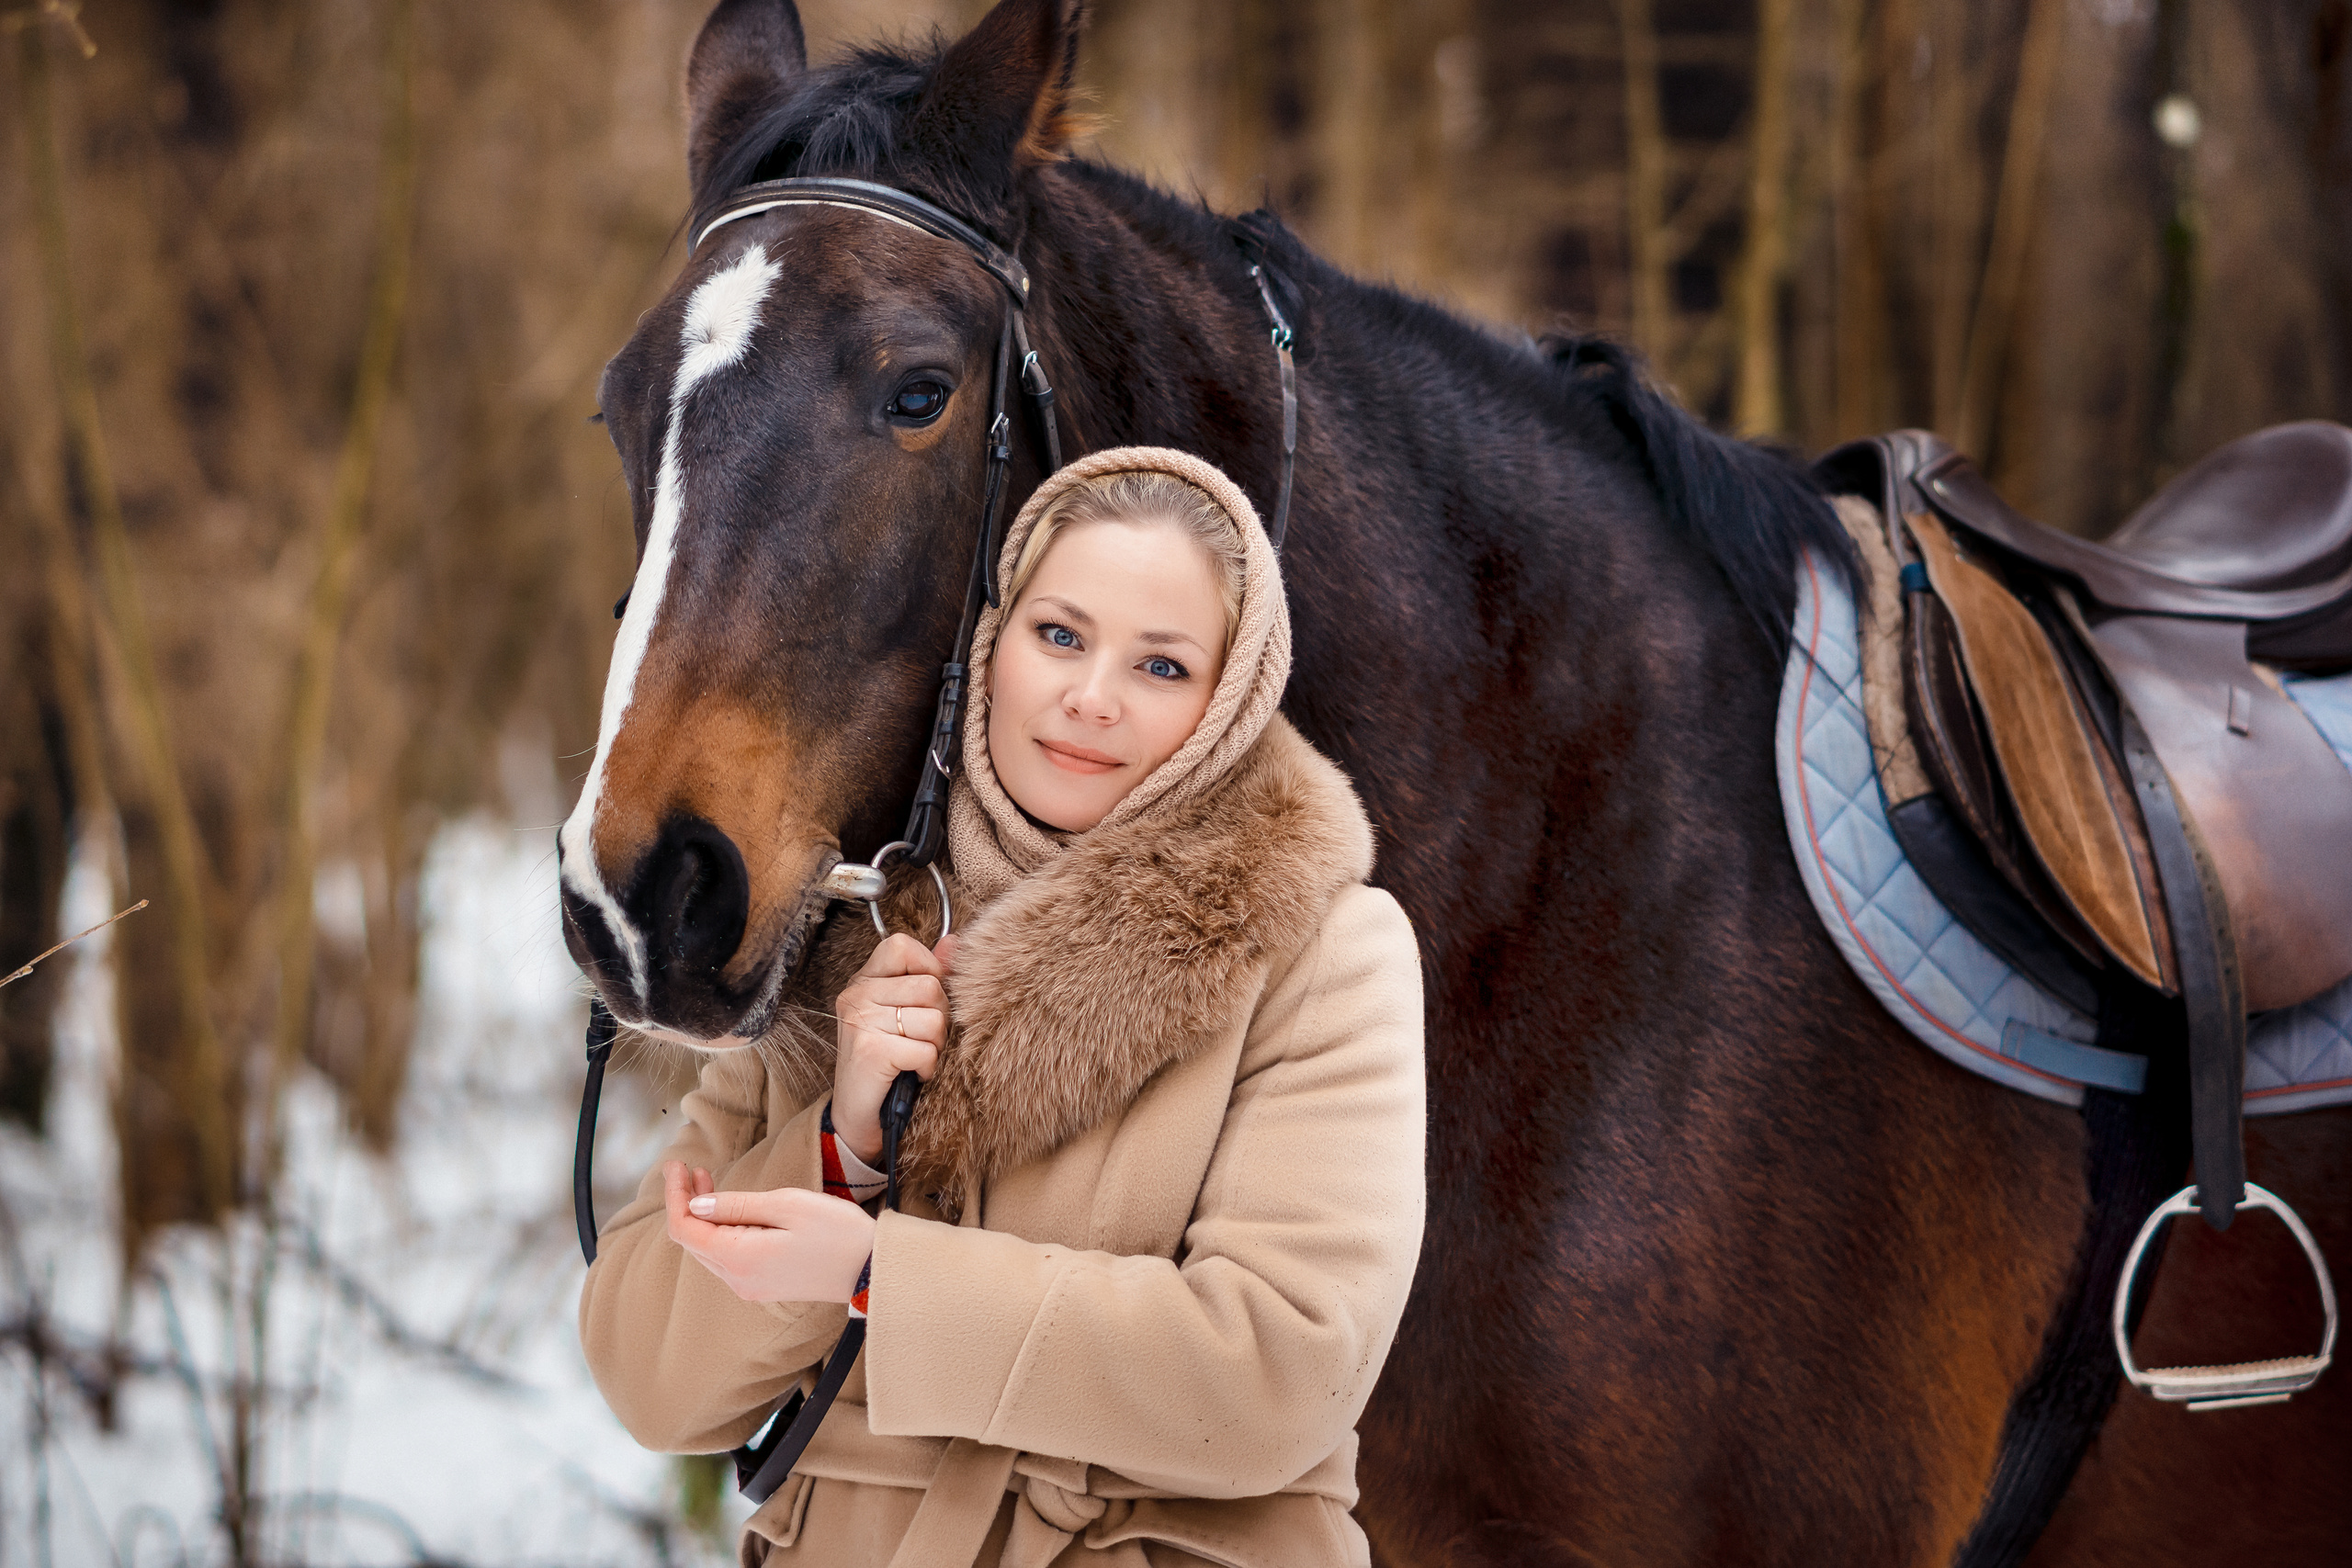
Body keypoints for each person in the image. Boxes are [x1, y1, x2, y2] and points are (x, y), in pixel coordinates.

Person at [581, 447, 1426, 1568]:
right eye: (1060, 635)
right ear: (991, 643)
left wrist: (879, 1277)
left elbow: (1279, 1376)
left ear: (1229, 703)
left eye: (1162, 667)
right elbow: (648, 1379)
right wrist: (843, 1142)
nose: (1090, 696)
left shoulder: (1323, 948)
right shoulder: (844, 921)